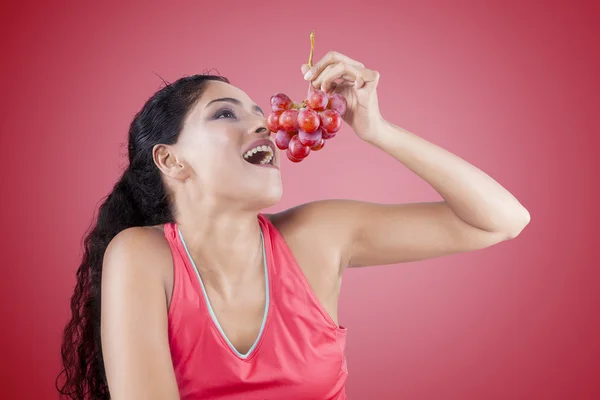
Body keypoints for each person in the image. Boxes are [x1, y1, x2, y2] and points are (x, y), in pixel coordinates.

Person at [56, 51, 530, 400]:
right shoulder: (141, 255)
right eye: (225, 114)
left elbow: (501, 220)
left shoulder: (317, 236)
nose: (264, 126)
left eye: (261, 115)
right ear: (171, 160)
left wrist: (377, 129)